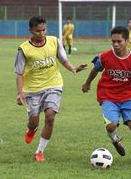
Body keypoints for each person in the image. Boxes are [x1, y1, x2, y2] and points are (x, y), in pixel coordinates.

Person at [14, 16, 87, 162]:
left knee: (50, 116)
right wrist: (20, 93)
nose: (41, 34)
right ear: (30, 31)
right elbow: (19, 73)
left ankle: (39, 152)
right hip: (32, 89)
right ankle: (31, 129)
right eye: (37, 31)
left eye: (43, 30)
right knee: (34, 121)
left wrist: (73, 69)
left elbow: (63, 59)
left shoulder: (54, 41)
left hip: (53, 85)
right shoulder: (24, 49)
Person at [82, 26, 131, 166]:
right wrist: (87, 84)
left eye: (119, 41)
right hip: (108, 97)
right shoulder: (104, 57)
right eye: (113, 41)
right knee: (111, 126)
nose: (115, 44)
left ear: (127, 41)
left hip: (129, 98)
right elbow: (95, 70)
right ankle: (115, 140)